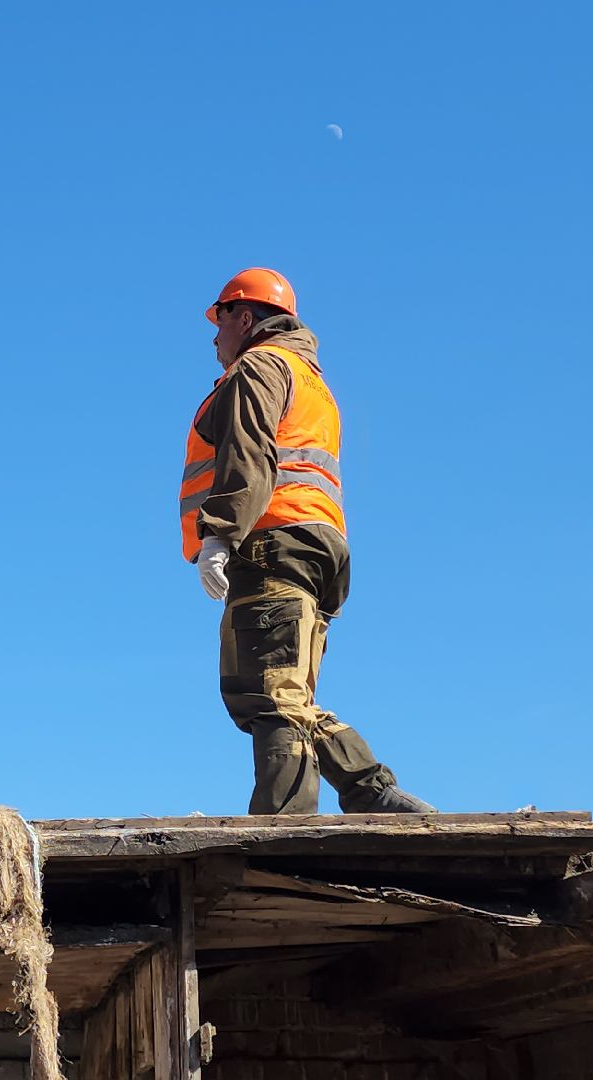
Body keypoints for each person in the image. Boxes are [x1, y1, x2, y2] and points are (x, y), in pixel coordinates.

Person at [180, 268, 435, 815]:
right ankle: (372, 792)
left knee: (270, 696)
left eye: (219, 318)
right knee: (279, 692)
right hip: (317, 545)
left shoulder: (261, 366)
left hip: (273, 540)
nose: (213, 335)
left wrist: (219, 535)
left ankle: (282, 830)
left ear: (245, 317)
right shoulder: (311, 379)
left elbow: (250, 455)